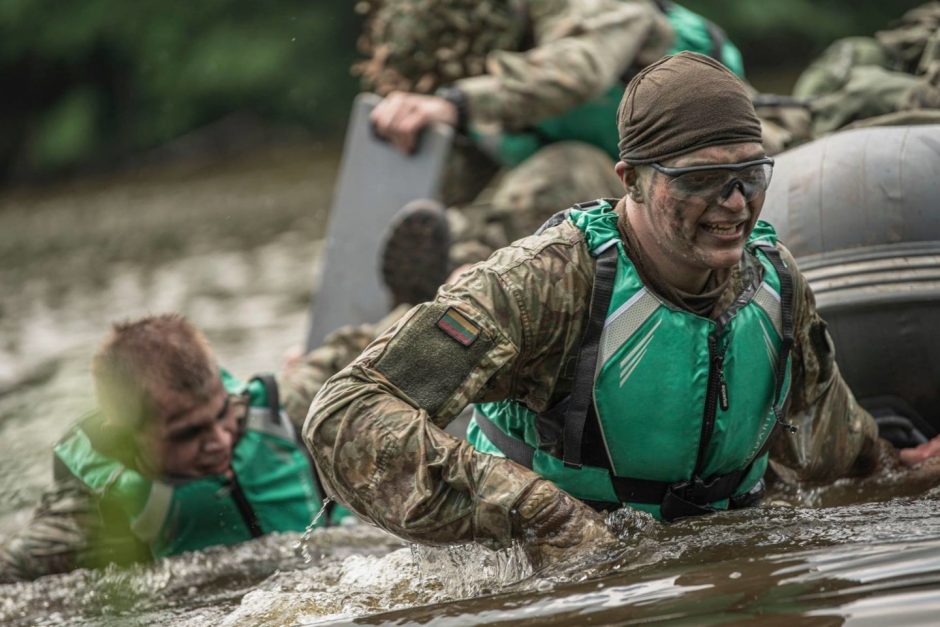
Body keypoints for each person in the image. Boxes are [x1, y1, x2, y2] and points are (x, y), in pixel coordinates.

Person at [305, 52, 940, 570]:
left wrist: (904, 471)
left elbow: (841, 449)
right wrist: (535, 511)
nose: (737, 204)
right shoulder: (546, 284)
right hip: (550, 563)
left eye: (752, 174)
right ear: (631, 178)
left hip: (711, 557)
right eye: (700, 179)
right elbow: (344, 412)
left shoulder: (774, 282)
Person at [356, 0, 756, 304]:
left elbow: (577, 69)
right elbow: (432, 218)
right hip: (612, 207)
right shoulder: (489, 79)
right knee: (461, 227)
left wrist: (456, 103)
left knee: (566, 167)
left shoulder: (600, 12)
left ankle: (469, 275)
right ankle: (337, 359)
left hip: (699, 180)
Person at [0, 314, 348, 582]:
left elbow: (368, 346)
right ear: (126, 436)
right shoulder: (93, 510)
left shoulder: (282, 407)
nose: (220, 441)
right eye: (188, 433)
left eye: (222, 414)